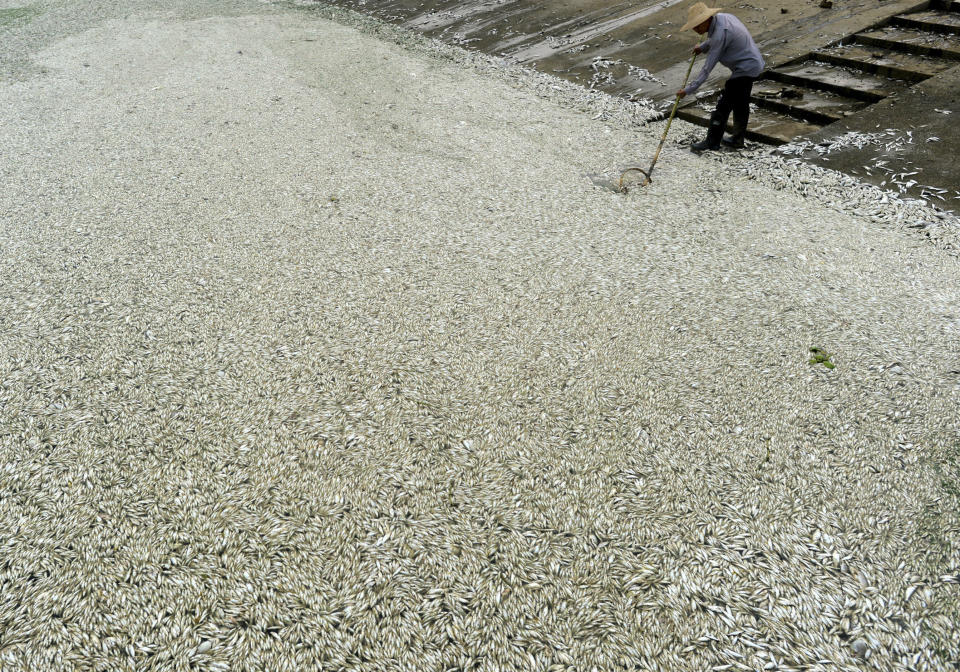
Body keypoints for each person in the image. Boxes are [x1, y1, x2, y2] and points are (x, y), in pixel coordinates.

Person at [676, 3, 765, 151]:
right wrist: (703, 46)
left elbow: (707, 69)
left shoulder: (719, 34)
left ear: (707, 20)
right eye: (694, 27)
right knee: (740, 104)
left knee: (723, 106)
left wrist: (688, 90)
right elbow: (718, 38)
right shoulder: (725, 18)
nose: (696, 30)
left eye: (698, 26)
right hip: (753, 63)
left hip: (745, 69)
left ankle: (712, 142)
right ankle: (737, 139)